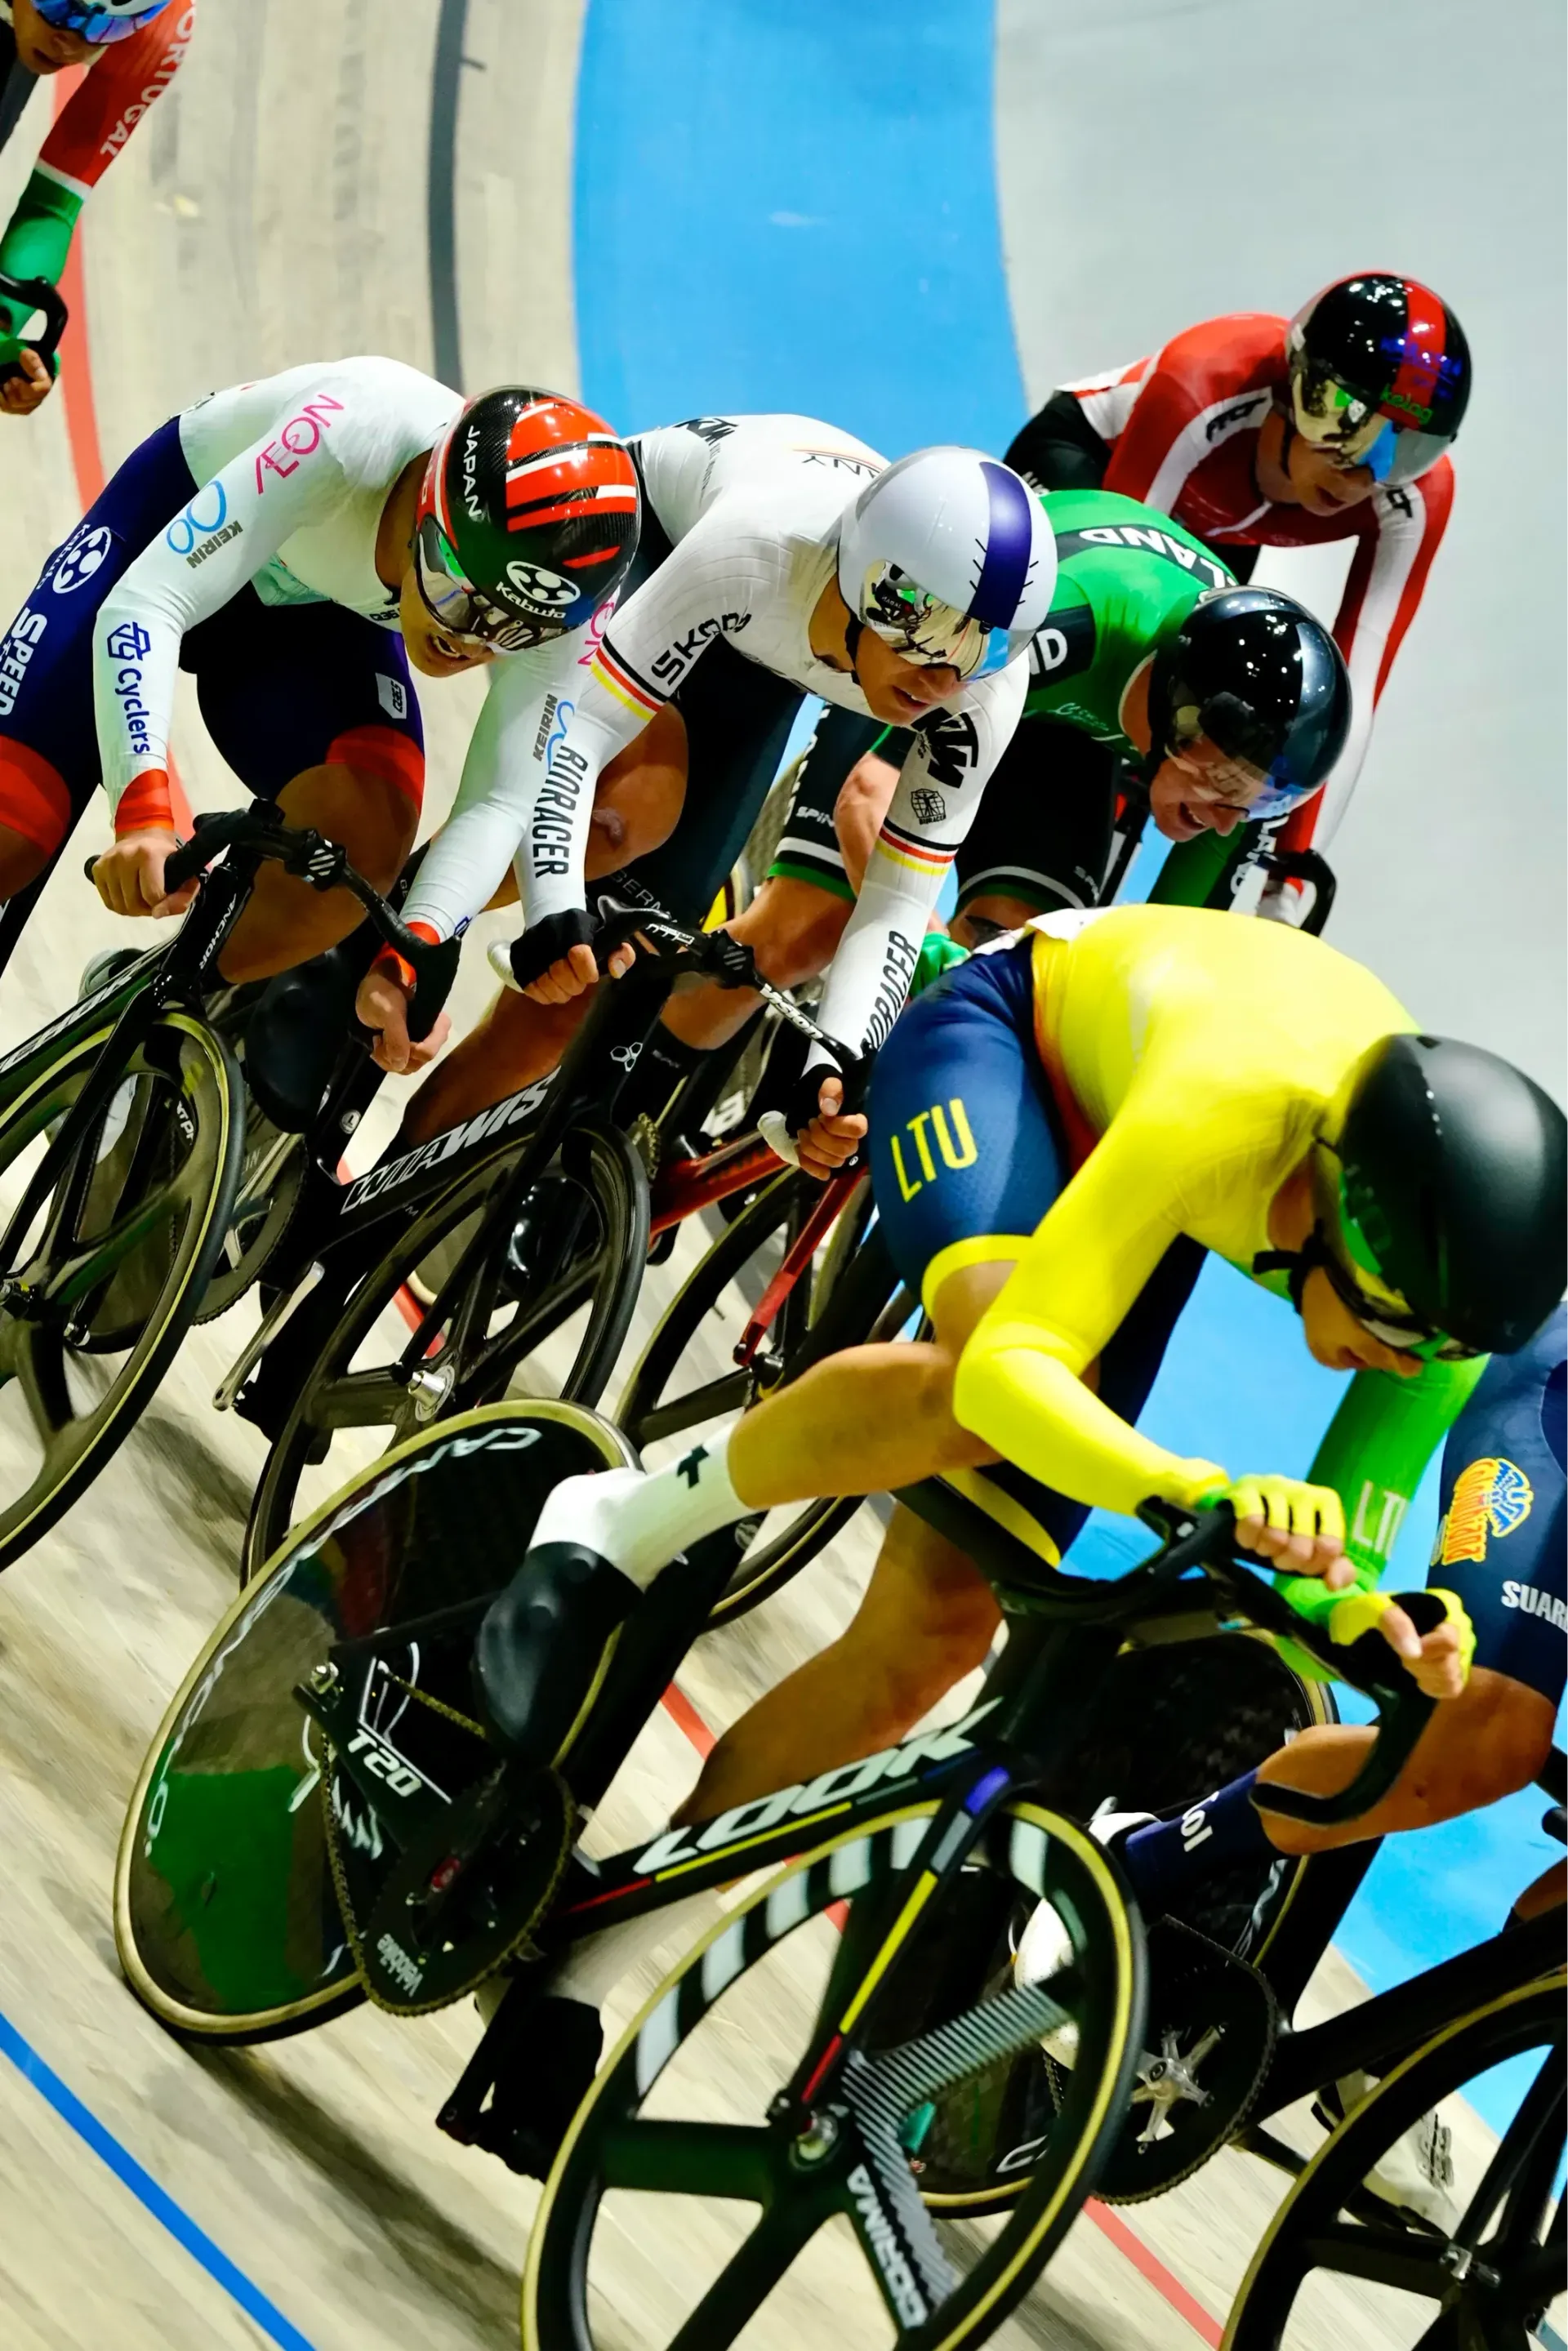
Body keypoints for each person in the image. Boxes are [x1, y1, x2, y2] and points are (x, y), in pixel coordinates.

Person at [467, 901, 1568, 2171]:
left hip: (1152, 1155)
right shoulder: (1227, 1104)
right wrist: (1191, 1483)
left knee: (931, 1638)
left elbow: (1341, 1556)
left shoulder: (1431, 1309)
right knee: (978, 1389)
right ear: (1332, 1211)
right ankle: (630, 1510)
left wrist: (1366, 1618)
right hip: (1015, 1039)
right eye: (1379, 1323)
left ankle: (583, 1958)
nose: (1392, 1360)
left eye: (1426, 1349)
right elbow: (1010, 1382)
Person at [354, 415, 1056, 1182]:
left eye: (978, 647)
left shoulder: (983, 693)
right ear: (867, 584)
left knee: (590, 990)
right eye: (929, 633)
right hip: (662, 537)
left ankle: (362, 1225)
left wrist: (831, 1068)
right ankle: (369, 946)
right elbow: (579, 733)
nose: (943, 679)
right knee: (621, 820)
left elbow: (891, 904)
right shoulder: (759, 546)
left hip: (778, 658)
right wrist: (552, 906)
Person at [631, 493, 1350, 1111]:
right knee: (806, 931)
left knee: (1023, 965)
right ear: (1183, 718)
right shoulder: (1066, 625)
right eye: (1222, 786)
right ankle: (627, 1106)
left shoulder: (1246, 770)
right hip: (959, 651)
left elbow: (1165, 964)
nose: (1227, 818)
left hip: (1074, 739)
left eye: (1255, 804)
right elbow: (868, 793)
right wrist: (921, 950)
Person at [0, 364, 641, 982]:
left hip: (312, 619)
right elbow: (147, 602)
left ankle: (130, 1017)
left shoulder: (566, 601)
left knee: (368, 835)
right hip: (174, 528)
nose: (466, 642)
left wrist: (413, 952)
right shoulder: (345, 438)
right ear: (426, 509)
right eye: (455, 596)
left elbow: (501, 797)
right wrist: (141, 814)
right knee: (14, 829)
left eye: (511, 634)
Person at [1005, 274, 1469, 920]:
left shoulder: (1417, 499)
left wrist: (1290, 874)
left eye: (1408, 449)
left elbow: (1355, 685)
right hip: (1094, 473)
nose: (1365, 473)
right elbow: (1122, 551)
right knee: (1069, 700)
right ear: (1295, 383)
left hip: (1216, 533)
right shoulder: (1204, 380)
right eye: (1347, 423)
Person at [1, 2, 194, 418]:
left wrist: (3, 330)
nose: (70, 41)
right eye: (59, 5)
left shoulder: (159, 28)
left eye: (107, 27)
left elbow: (50, 207)